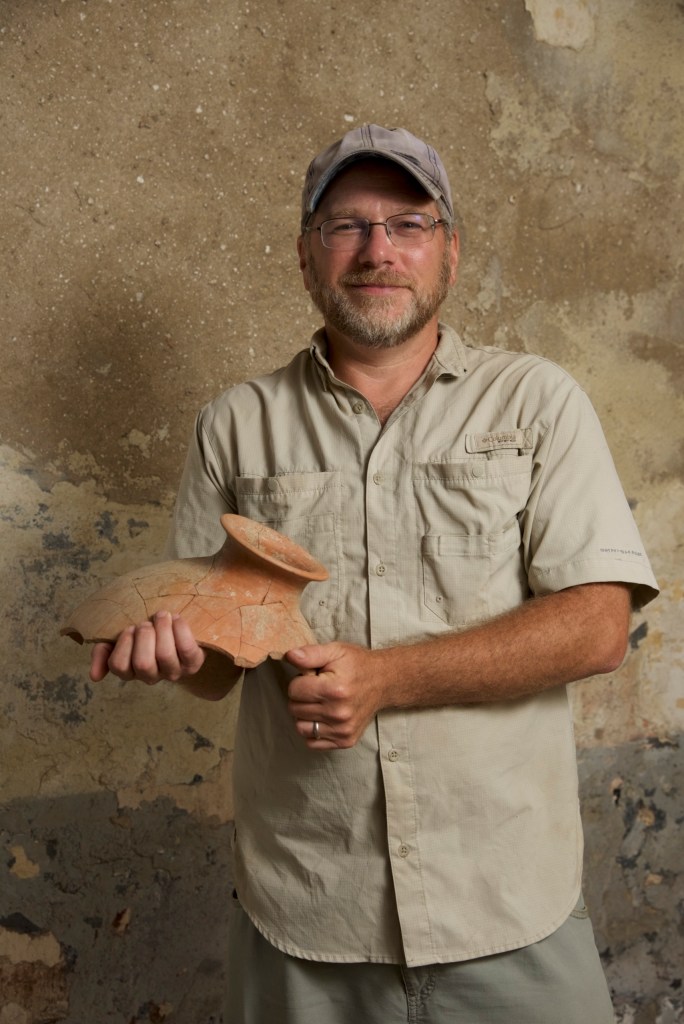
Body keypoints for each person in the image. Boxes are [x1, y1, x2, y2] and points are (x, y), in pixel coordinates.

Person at [91, 124, 659, 1023]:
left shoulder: (537, 402)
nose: (378, 250)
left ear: (451, 252)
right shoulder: (237, 426)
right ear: (307, 256)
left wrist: (388, 679)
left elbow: (597, 626)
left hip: (506, 904)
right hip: (309, 911)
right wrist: (172, 653)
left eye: (408, 223)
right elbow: (214, 672)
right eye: (346, 225)